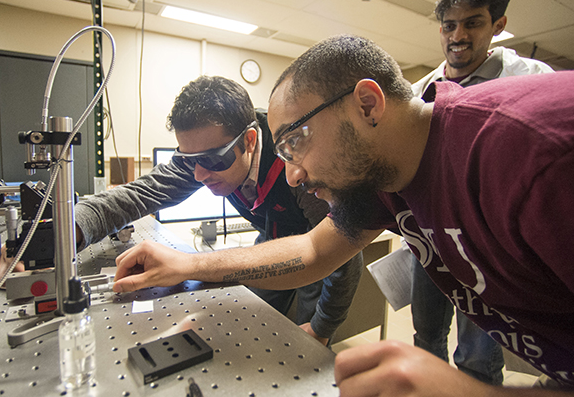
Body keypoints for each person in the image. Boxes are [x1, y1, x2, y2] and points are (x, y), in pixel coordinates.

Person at [112, 34, 574, 397]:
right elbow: (313, 252)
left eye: (295, 142)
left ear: (367, 103)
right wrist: (187, 264)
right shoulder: (387, 178)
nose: (291, 176)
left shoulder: (551, 157)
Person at [75, 75, 364, 345]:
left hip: (319, 244)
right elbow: (135, 195)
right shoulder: (205, 155)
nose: (199, 175)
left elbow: (343, 255)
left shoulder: (296, 162)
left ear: (249, 141)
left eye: (212, 161)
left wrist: (321, 327)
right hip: (271, 238)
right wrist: (64, 231)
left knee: (307, 339)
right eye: (189, 161)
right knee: (249, 319)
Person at [409, 0, 555, 385]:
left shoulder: (532, 81)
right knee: (427, 338)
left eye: (473, 23)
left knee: (477, 357)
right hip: (430, 242)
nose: (458, 35)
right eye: (449, 25)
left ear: (498, 25)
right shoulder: (423, 91)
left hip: (488, 248)